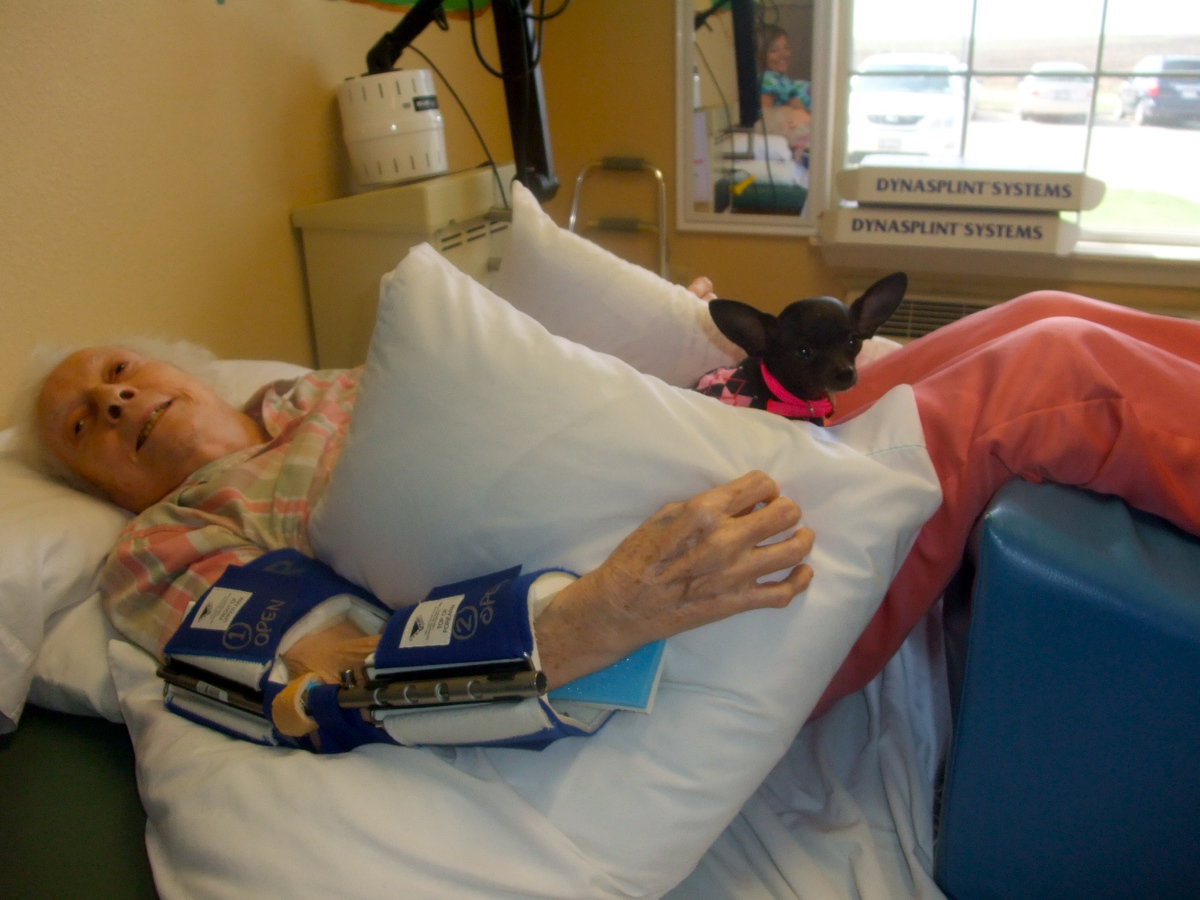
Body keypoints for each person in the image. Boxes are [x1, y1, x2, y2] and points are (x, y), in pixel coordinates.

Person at [28, 288, 1200, 733]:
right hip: (704, 594)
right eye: (83, 422)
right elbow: (325, 675)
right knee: (1054, 376)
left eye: (118, 370)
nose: (115, 399)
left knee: (1039, 313)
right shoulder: (170, 542)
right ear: (97, 487)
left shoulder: (321, 391)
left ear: (180, 364)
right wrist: (598, 618)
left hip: (711, 458)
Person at [757, 24, 811, 163]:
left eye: (786, 48)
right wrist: (796, 112)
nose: (783, 54)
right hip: (791, 132)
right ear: (760, 55)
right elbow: (764, 115)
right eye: (774, 50)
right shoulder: (767, 80)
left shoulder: (782, 80)